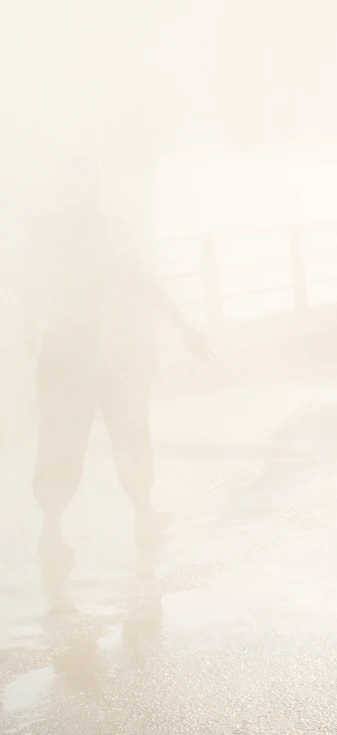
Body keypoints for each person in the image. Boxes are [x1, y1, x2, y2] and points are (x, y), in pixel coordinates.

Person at [26, 161, 210, 575]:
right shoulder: (109, 230)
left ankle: (52, 531)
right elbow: (143, 282)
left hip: (67, 351)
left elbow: (29, 291)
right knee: (126, 433)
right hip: (109, 350)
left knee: (61, 441)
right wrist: (184, 328)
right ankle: (142, 517)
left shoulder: (47, 233)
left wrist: (31, 335)